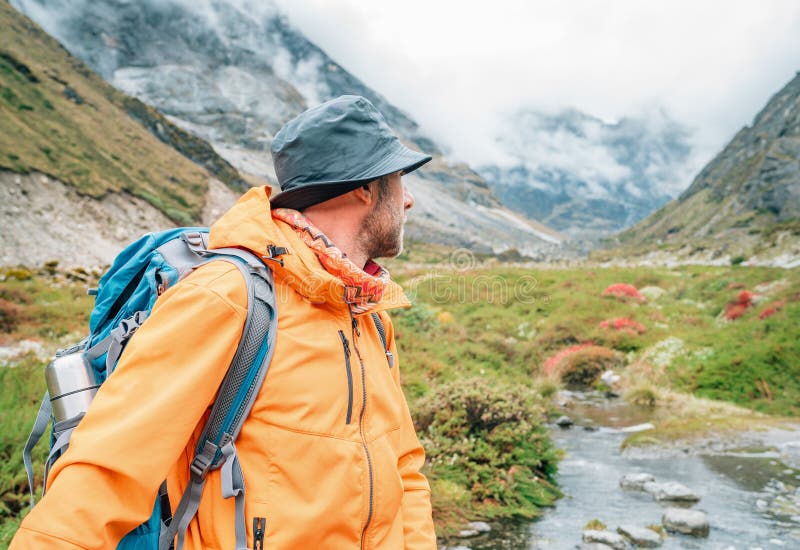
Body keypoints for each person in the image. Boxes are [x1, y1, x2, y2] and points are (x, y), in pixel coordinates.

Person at [11, 95, 437, 549]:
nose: (408, 200)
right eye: (398, 180)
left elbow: (404, 466)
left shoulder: (367, 314)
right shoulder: (227, 296)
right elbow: (105, 471)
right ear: (364, 189)